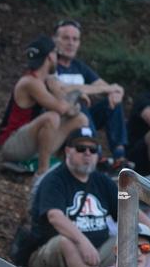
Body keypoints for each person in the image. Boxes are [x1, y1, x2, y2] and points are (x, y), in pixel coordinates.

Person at [23, 127, 118, 267]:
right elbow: (55, 217)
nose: (87, 153)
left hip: (96, 253)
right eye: (81, 148)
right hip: (52, 254)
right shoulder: (54, 180)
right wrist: (82, 242)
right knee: (66, 242)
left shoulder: (103, 181)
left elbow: (129, 210)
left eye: (93, 149)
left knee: (129, 241)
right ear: (68, 151)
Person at [0, 36, 88, 179]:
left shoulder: (46, 80)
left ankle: (71, 164)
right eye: (55, 53)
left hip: (31, 144)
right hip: (12, 145)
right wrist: (74, 97)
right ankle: (43, 172)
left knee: (81, 119)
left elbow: (68, 104)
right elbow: (63, 108)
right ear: (50, 56)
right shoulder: (30, 82)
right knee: (52, 118)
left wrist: (71, 94)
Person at [51, 19, 128, 167]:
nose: (70, 43)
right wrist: (101, 89)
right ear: (55, 40)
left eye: (75, 39)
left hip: (84, 121)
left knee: (112, 105)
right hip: (61, 121)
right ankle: (95, 153)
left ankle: (120, 157)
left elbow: (106, 86)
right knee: (80, 102)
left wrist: (116, 92)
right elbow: (63, 89)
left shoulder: (79, 66)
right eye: (66, 38)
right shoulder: (51, 65)